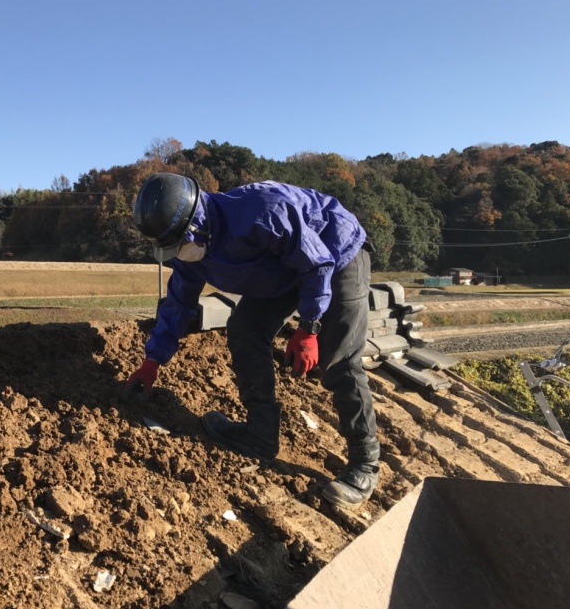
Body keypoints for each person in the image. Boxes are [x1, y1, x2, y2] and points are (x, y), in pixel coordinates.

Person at [123, 173, 379, 509]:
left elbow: (317, 263)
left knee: (339, 361)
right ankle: (260, 434)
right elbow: (177, 305)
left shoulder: (262, 210)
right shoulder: (191, 255)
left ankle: (364, 463)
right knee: (244, 328)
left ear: (196, 223)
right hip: (283, 272)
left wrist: (308, 328)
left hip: (336, 253)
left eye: (178, 243)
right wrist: (151, 362)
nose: (178, 253)